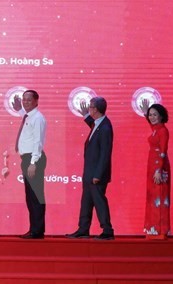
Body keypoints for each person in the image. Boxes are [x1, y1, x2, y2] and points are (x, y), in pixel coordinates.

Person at [66, 97, 114, 240]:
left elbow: (105, 153)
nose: (89, 109)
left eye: (90, 107)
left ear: (96, 109)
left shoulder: (105, 127)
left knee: (99, 202)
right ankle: (83, 229)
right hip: (89, 172)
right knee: (86, 202)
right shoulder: (98, 124)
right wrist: (85, 116)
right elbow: (93, 127)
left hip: (96, 174)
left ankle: (107, 230)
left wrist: (98, 174)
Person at [12, 90, 47, 239]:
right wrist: (20, 110)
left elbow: (37, 142)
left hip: (34, 160)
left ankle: (37, 231)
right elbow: (28, 124)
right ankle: (34, 228)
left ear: (36, 101)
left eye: (28, 100)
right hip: (27, 159)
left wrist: (33, 163)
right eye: (24, 99)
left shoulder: (38, 118)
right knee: (30, 196)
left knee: (36, 196)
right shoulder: (29, 117)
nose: (25, 102)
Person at [140, 101, 171, 240]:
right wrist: (144, 112)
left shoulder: (163, 131)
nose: (152, 117)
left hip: (160, 167)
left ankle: (161, 230)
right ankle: (153, 229)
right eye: (150, 115)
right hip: (152, 166)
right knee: (153, 198)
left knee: (160, 198)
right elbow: (152, 127)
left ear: (161, 116)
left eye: (155, 115)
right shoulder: (156, 129)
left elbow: (163, 152)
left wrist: (159, 170)